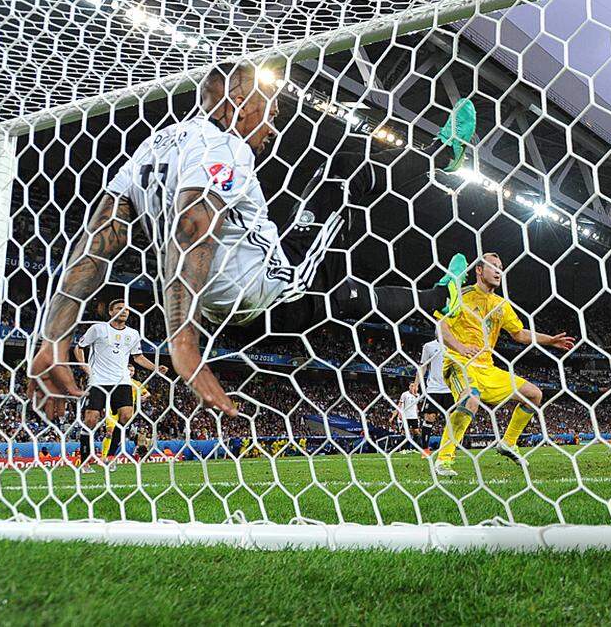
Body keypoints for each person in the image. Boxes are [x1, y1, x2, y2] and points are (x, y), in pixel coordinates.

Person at [27, 61, 474, 417]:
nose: (274, 127)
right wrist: (183, 345)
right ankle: (441, 154)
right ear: (240, 102)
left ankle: (439, 295)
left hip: (236, 304)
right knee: (343, 174)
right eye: (273, 112)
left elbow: (96, 244)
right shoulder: (226, 146)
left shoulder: (151, 146)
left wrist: (53, 339)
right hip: (270, 284)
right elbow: (192, 229)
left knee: (342, 297)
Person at [432, 253, 575, 477]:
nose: (499, 271)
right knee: (470, 399)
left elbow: (519, 333)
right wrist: (459, 347)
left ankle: (508, 443)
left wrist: (550, 341)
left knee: (534, 394)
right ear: (479, 270)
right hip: (460, 362)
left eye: (501, 267)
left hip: (487, 368)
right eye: (493, 266)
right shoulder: (461, 295)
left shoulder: (501, 305)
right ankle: (443, 460)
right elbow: (441, 326)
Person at [71, 300, 166, 472]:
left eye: (126, 309)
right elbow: (79, 347)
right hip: (99, 380)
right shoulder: (98, 329)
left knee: (126, 417)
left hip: (122, 381)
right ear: (110, 311)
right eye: (118, 308)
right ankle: (85, 461)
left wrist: (156, 368)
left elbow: (138, 357)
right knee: (91, 419)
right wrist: (84, 366)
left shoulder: (133, 333)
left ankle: (110, 457)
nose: (123, 311)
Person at [101, 362, 152, 468]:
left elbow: (147, 393)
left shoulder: (136, 384)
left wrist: (144, 397)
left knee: (118, 435)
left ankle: (111, 456)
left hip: (127, 413)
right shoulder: (116, 380)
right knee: (109, 433)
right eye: (129, 370)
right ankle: (104, 458)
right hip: (112, 409)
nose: (131, 372)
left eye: (133, 371)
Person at [417, 330, 452, 457]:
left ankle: (449, 450)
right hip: (433, 389)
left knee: (453, 420)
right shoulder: (429, 346)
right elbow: (423, 366)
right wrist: (416, 383)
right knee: (429, 418)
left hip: (450, 389)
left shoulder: (455, 345)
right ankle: (425, 449)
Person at [390, 381, 424, 452]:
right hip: (406, 417)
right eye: (411, 386)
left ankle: (415, 449)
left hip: (414, 417)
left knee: (416, 432)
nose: (412, 387)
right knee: (404, 432)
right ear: (409, 387)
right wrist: (395, 416)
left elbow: (417, 406)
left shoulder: (418, 395)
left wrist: (418, 416)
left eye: (414, 386)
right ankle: (404, 449)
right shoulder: (404, 394)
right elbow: (399, 405)